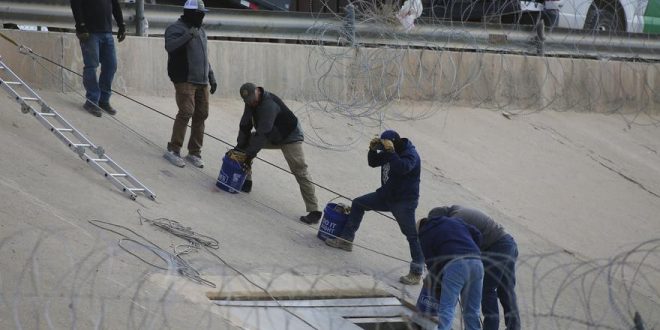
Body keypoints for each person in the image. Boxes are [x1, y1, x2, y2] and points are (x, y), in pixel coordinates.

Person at [325, 130, 425, 285]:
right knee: (359, 203)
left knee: (411, 235)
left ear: (394, 143)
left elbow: (402, 168)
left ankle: (416, 272)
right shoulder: (389, 151)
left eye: (386, 145)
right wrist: (372, 150)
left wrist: (390, 152)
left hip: (404, 202)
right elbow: (373, 163)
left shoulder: (410, 154)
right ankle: (346, 240)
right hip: (386, 195)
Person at [234, 82, 321, 224]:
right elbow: (245, 124)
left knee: (300, 170)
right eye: (248, 101)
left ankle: (314, 210)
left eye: (252, 100)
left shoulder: (269, 104)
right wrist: (239, 146)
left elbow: (262, 134)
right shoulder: (250, 102)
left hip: (289, 136)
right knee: (245, 145)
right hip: (271, 134)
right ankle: (247, 181)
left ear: (257, 91)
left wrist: (248, 156)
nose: (252, 103)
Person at [428, 205, 520, 330]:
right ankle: (514, 327)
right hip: (508, 244)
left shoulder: (455, 220)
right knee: (506, 290)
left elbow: (462, 244)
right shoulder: (458, 211)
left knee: (487, 290)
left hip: (497, 247)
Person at [163, 0, 217, 168]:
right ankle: (173, 149)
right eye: (200, 14)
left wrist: (211, 76)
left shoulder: (201, 31)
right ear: (190, 14)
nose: (202, 18)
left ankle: (194, 152)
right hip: (184, 78)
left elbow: (204, 57)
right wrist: (188, 35)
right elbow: (170, 47)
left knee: (201, 114)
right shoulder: (175, 29)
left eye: (203, 14)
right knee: (186, 112)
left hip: (202, 81)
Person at [417, 213, 484, 330]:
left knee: (447, 308)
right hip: (477, 262)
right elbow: (477, 234)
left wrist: (437, 283)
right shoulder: (454, 221)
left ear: (420, 229)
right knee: (472, 310)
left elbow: (432, 263)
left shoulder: (424, 234)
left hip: (456, 265)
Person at [70, 0, 126, 117]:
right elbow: (76, 3)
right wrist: (80, 25)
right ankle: (91, 101)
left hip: (107, 32)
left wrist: (121, 24)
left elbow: (115, 4)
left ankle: (103, 101)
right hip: (90, 32)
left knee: (111, 66)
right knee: (91, 66)